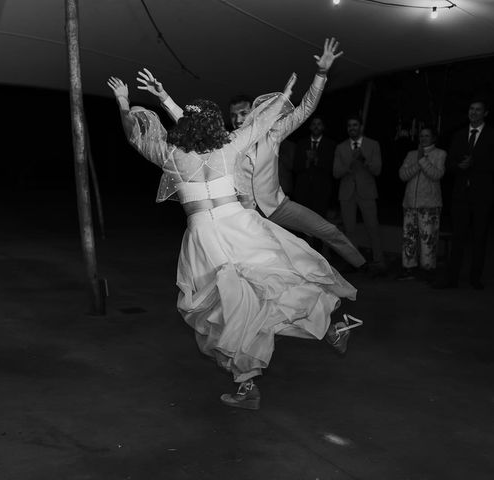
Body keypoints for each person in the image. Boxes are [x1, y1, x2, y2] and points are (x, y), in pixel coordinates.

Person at [106, 40, 359, 411]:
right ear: (216, 126)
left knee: (230, 313)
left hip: (205, 242)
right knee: (275, 287)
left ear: (186, 127)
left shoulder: (172, 156)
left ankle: (248, 386)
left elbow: (134, 135)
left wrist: (125, 102)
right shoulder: (229, 148)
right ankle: (327, 330)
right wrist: (294, 89)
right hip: (240, 229)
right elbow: (259, 121)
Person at [137, 40, 366, 272]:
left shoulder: (273, 133)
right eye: (233, 115)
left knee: (327, 229)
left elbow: (304, 109)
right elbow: (191, 123)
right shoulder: (223, 141)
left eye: (243, 113)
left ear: (254, 113)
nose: (237, 119)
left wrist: (321, 73)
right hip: (243, 214)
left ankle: (362, 264)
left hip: (278, 206)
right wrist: (164, 97)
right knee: (262, 268)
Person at [434, 99, 494, 290]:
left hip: (482, 195)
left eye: (478, 110)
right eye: (471, 109)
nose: (474, 112)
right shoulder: (459, 135)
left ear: (485, 113)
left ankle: (475, 278)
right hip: (461, 194)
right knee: (458, 237)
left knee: (479, 237)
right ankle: (451, 278)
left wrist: (475, 163)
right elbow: (450, 163)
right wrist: (459, 166)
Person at [334, 116, 386, 275]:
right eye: (349, 125)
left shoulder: (373, 145)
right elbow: (336, 173)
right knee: (349, 229)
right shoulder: (341, 147)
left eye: (355, 125)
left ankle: (379, 262)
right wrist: (349, 164)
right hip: (347, 193)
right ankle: (354, 262)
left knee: (373, 227)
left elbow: (377, 170)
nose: (352, 128)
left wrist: (363, 159)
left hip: (367, 192)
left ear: (361, 127)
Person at [397, 127, 446, 281]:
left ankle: (428, 269)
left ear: (433, 138)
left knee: (428, 238)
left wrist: (422, 160)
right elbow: (403, 175)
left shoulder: (440, 154)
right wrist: (418, 161)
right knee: (409, 238)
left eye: (427, 135)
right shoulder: (411, 154)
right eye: (421, 135)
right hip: (410, 203)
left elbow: (436, 174)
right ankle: (409, 267)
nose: (423, 138)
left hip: (430, 204)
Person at [293, 116, 336, 251]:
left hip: (321, 191)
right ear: (310, 127)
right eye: (314, 124)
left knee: (318, 224)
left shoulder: (330, 144)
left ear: (323, 127)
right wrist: (307, 161)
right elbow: (295, 167)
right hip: (303, 191)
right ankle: (302, 252)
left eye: (319, 124)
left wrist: (316, 160)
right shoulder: (301, 143)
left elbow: (331, 168)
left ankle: (319, 255)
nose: (316, 126)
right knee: (301, 224)